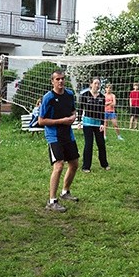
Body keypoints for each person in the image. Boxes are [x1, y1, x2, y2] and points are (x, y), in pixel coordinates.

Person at [38, 70, 80, 213]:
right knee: (59, 166)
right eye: (57, 79)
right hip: (54, 135)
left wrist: (73, 117)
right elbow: (41, 121)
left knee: (74, 164)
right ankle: (52, 201)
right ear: (52, 81)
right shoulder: (48, 98)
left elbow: (73, 111)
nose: (60, 81)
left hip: (68, 134)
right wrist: (61, 121)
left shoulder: (69, 95)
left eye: (62, 79)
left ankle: (65, 192)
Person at [80, 78, 110, 173]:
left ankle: (104, 164)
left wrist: (102, 123)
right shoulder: (85, 95)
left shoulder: (102, 97)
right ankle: (86, 166)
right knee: (89, 144)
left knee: (101, 144)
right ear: (91, 84)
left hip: (98, 124)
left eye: (98, 83)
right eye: (95, 83)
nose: (97, 85)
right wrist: (79, 122)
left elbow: (102, 111)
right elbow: (80, 109)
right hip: (87, 123)